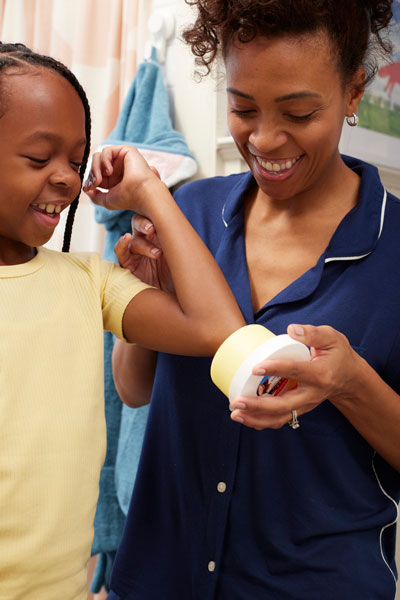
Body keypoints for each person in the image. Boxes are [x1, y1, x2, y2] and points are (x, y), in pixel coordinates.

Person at [108, 1, 400, 599]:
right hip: (157, 577)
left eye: (298, 112)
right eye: (242, 108)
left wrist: (348, 384)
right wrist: (150, 305)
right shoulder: (188, 213)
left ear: (353, 91)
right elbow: (135, 389)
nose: (265, 139)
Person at [0, 42, 245, 600]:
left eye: (75, 160)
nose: (65, 178)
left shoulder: (92, 281)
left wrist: (152, 192)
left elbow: (218, 329)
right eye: (41, 159)